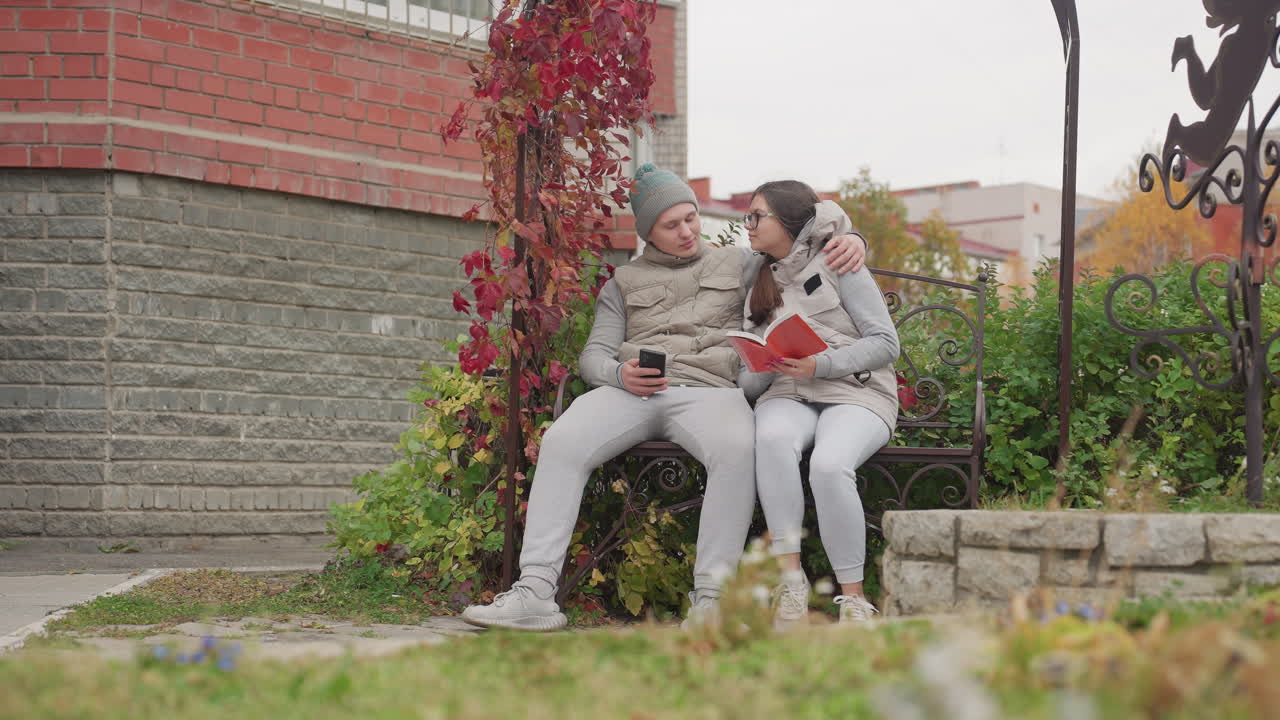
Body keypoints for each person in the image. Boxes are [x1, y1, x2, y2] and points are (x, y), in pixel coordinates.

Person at [460, 165, 867, 630]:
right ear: (648, 231)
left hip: (711, 393)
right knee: (562, 440)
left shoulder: (740, 263)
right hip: (632, 393)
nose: (687, 231)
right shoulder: (621, 283)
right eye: (671, 225)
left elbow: (801, 237)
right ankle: (534, 593)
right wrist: (619, 373)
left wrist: (853, 236)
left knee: (738, 450)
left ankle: (711, 600)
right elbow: (592, 357)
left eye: (690, 218)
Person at [737, 180, 899, 628]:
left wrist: (820, 364)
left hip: (856, 391)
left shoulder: (839, 259)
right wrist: (763, 363)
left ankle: (853, 599)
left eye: (756, 216)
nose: (747, 226)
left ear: (788, 221)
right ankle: (791, 585)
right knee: (769, 438)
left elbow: (886, 343)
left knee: (828, 466)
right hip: (787, 392)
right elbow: (748, 383)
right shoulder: (753, 275)